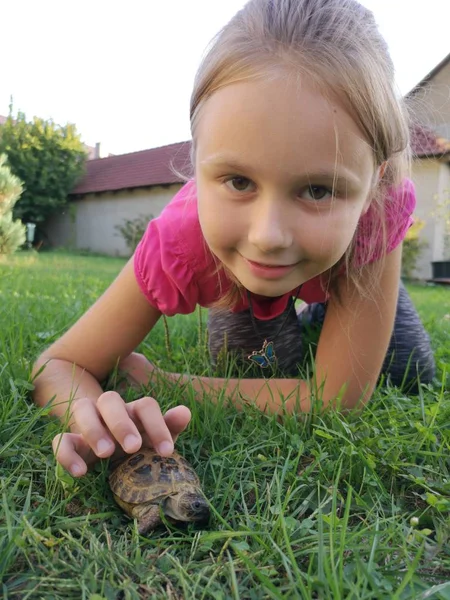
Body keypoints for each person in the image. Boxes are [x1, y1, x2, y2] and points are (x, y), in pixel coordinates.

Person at [32, 0, 435, 477]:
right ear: (197, 162)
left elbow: (339, 401)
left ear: (374, 182)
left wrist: (166, 381)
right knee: (257, 365)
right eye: (238, 181)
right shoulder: (181, 243)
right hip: (234, 287)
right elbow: (58, 364)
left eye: (319, 189)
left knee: (410, 369)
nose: (267, 237)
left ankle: (329, 310)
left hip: (346, 263)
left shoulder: (378, 213)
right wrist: (90, 417)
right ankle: (311, 318)